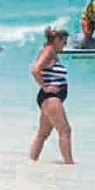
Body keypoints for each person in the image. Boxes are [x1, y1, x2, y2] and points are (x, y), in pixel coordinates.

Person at [29, 27, 74, 165]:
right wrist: (46, 87)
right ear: (56, 40)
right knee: (65, 130)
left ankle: (32, 162)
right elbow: (35, 69)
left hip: (49, 98)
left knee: (43, 134)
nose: (65, 44)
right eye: (64, 41)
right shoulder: (48, 51)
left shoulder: (51, 51)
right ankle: (69, 164)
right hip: (51, 98)